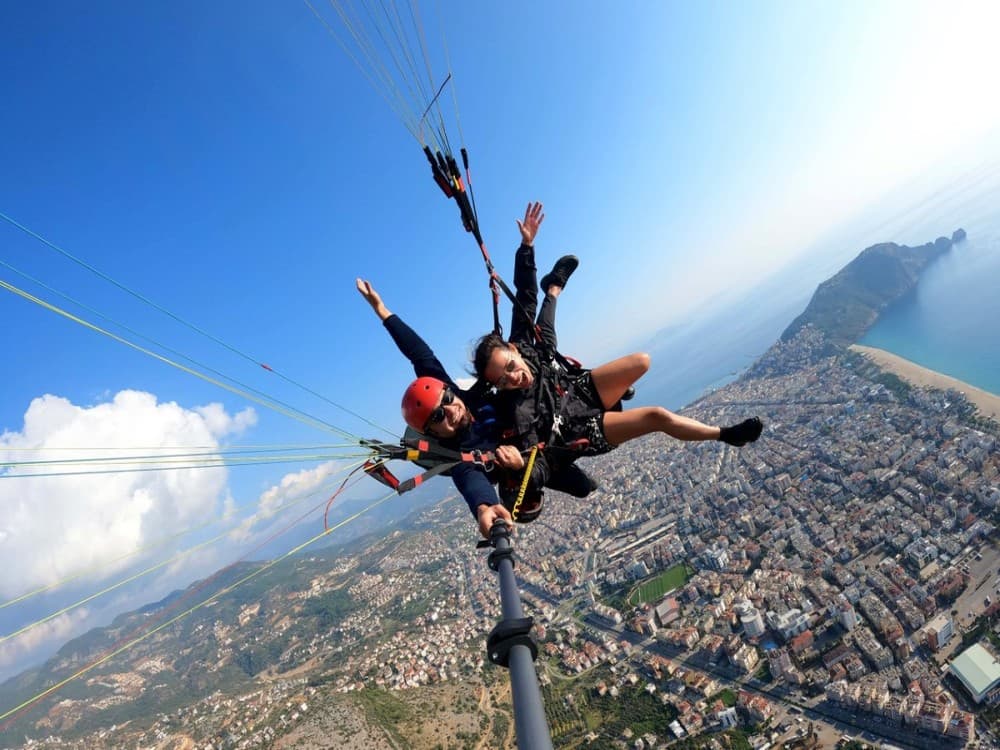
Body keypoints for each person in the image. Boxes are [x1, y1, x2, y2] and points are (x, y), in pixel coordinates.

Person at [356, 202, 591, 536]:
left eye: (446, 401)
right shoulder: (470, 455)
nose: (450, 410)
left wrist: (383, 312)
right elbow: (474, 479)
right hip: (538, 420)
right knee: (582, 484)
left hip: (523, 391)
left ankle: (551, 286)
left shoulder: (466, 416)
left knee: (530, 330)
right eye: (440, 416)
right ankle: (553, 289)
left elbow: (421, 357)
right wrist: (487, 505)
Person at [472, 251, 764, 490]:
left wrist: (526, 246)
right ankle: (726, 434)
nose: (513, 378)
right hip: (581, 429)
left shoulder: (525, 349)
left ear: (513, 350)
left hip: (576, 389)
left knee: (641, 361)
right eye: (503, 381)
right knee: (657, 416)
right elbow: (540, 465)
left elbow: (524, 299)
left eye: (510, 366)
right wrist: (520, 465)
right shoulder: (518, 414)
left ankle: (554, 287)